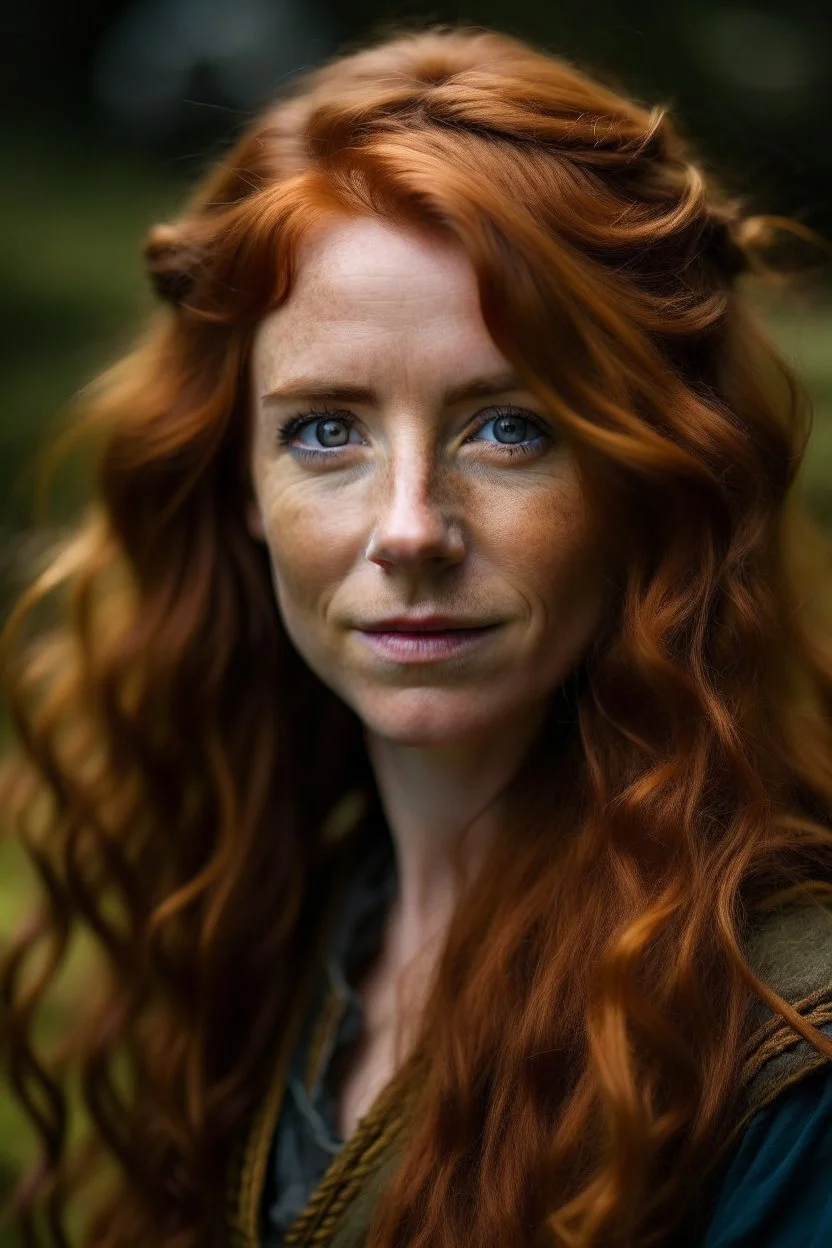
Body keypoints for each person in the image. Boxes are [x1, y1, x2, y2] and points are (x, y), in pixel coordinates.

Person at [2, 20, 832, 1248]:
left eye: (509, 428)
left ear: (651, 478)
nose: (408, 531)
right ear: (241, 483)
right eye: (324, 432)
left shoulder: (784, 1040)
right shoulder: (273, 922)